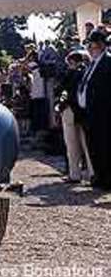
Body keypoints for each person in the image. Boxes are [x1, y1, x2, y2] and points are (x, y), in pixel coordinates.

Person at [79, 30, 111, 189]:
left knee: (104, 146)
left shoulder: (108, 62)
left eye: (91, 45)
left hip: (103, 112)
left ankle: (106, 178)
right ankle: (99, 176)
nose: (89, 48)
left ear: (100, 45)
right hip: (89, 112)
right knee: (93, 146)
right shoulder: (92, 63)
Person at [55, 51, 94, 183]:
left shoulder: (72, 74)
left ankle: (74, 174)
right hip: (83, 112)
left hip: (70, 110)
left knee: (72, 145)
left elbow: (63, 91)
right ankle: (92, 173)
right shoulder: (88, 73)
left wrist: (60, 106)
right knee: (87, 145)